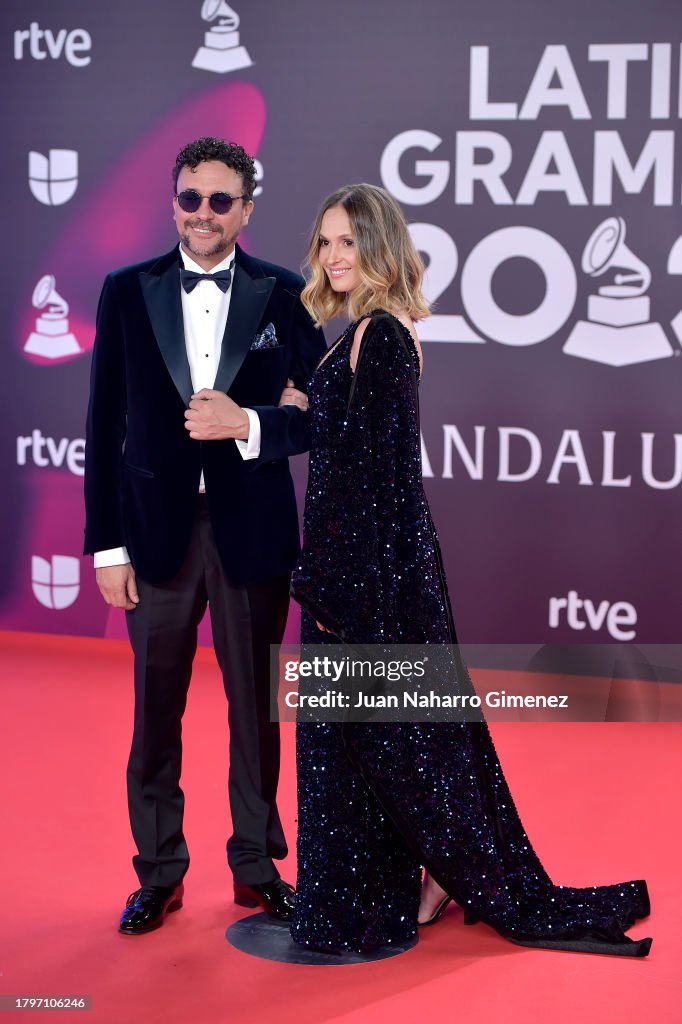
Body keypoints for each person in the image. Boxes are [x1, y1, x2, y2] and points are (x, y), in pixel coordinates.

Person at [289, 183, 652, 957]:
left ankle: (420, 881)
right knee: (391, 737)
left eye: (350, 241)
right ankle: (423, 877)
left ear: (381, 247)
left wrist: (334, 587)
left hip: (365, 572)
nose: (334, 256)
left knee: (384, 741)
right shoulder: (368, 333)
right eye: (326, 241)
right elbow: (358, 452)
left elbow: (372, 481)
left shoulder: (381, 337)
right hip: (373, 564)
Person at [84, 137, 326, 934]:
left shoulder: (284, 293)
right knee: (156, 710)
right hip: (155, 535)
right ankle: (159, 872)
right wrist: (107, 546)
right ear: (174, 201)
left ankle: (256, 867)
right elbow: (103, 425)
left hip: (251, 532)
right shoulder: (126, 290)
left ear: (246, 209)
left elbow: (320, 415)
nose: (203, 214)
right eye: (191, 198)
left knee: (255, 712)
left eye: (221, 201)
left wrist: (251, 423)